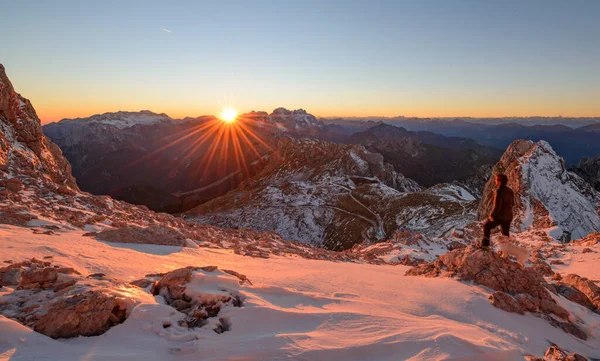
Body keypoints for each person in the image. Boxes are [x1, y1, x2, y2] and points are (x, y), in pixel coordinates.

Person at [480, 173, 514, 249]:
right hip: (509, 216)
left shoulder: (499, 191)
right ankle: (505, 251)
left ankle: (485, 245)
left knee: (486, 226)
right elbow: (513, 204)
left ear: (499, 181)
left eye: (496, 179)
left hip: (500, 216)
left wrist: (491, 216)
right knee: (505, 234)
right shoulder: (510, 191)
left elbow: (497, 207)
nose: (495, 181)